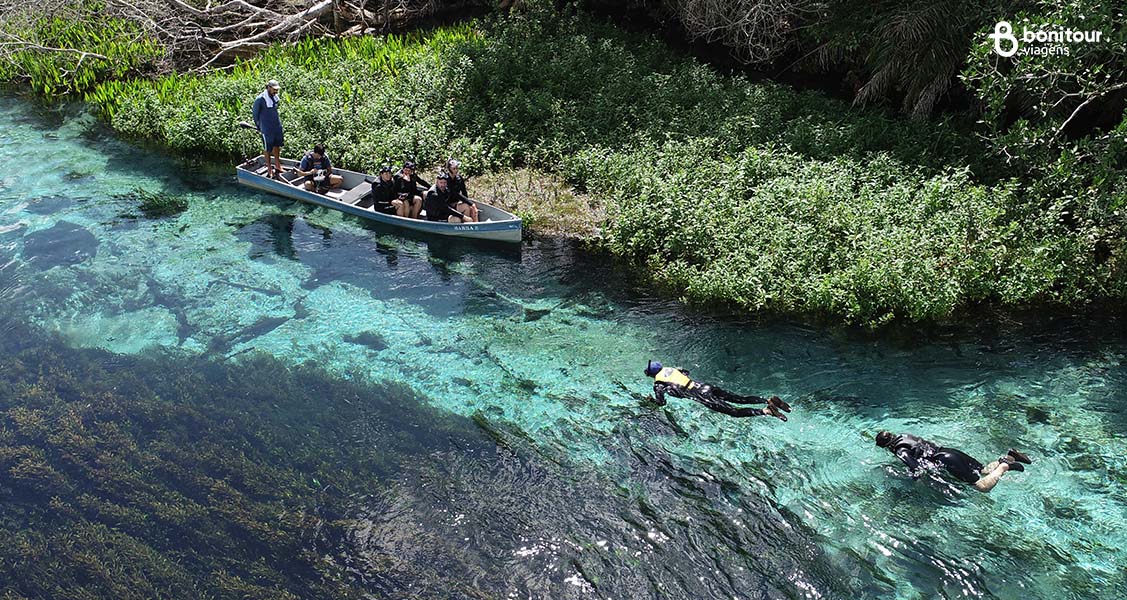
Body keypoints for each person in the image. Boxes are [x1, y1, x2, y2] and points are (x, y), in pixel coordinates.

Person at [874, 431, 1032, 492]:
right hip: (948, 451)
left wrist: (914, 485)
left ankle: (1005, 466)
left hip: (945, 460)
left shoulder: (899, 450)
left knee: (981, 487)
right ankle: (1010, 456)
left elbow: (917, 469)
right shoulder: (904, 435)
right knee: (984, 470)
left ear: (886, 446)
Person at [643, 360, 791, 420]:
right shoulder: (672, 369)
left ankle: (766, 411)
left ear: (651, 374)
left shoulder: (658, 384)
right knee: (738, 398)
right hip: (705, 386)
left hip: (701, 395)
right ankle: (767, 400)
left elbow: (661, 403)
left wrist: (651, 401)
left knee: (734, 412)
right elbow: (685, 372)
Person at [252, 80, 285, 179]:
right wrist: (259, 126)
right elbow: (255, 114)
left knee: (277, 145)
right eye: (274, 89)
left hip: (276, 125)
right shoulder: (260, 99)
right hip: (266, 128)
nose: (276, 91)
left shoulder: (274, 97)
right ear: (268, 87)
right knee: (267, 148)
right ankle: (269, 168)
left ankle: (278, 165)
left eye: (276, 90)